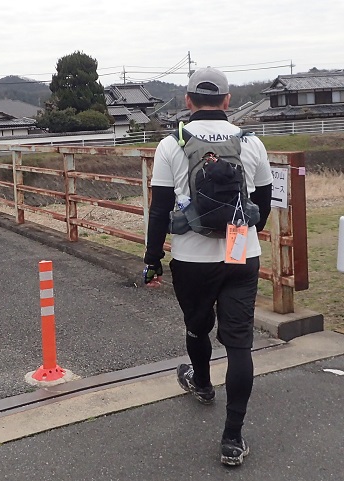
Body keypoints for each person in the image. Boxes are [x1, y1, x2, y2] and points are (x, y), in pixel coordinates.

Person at [143, 67, 273, 466]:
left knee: (197, 326)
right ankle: (232, 438)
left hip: (193, 258)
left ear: (187, 101)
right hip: (241, 254)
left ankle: (201, 383)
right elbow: (263, 205)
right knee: (239, 344)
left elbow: (161, 208)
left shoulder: (171, 144)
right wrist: (244, 232)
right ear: (228, 101)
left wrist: (153, 259)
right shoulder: (250, 143)